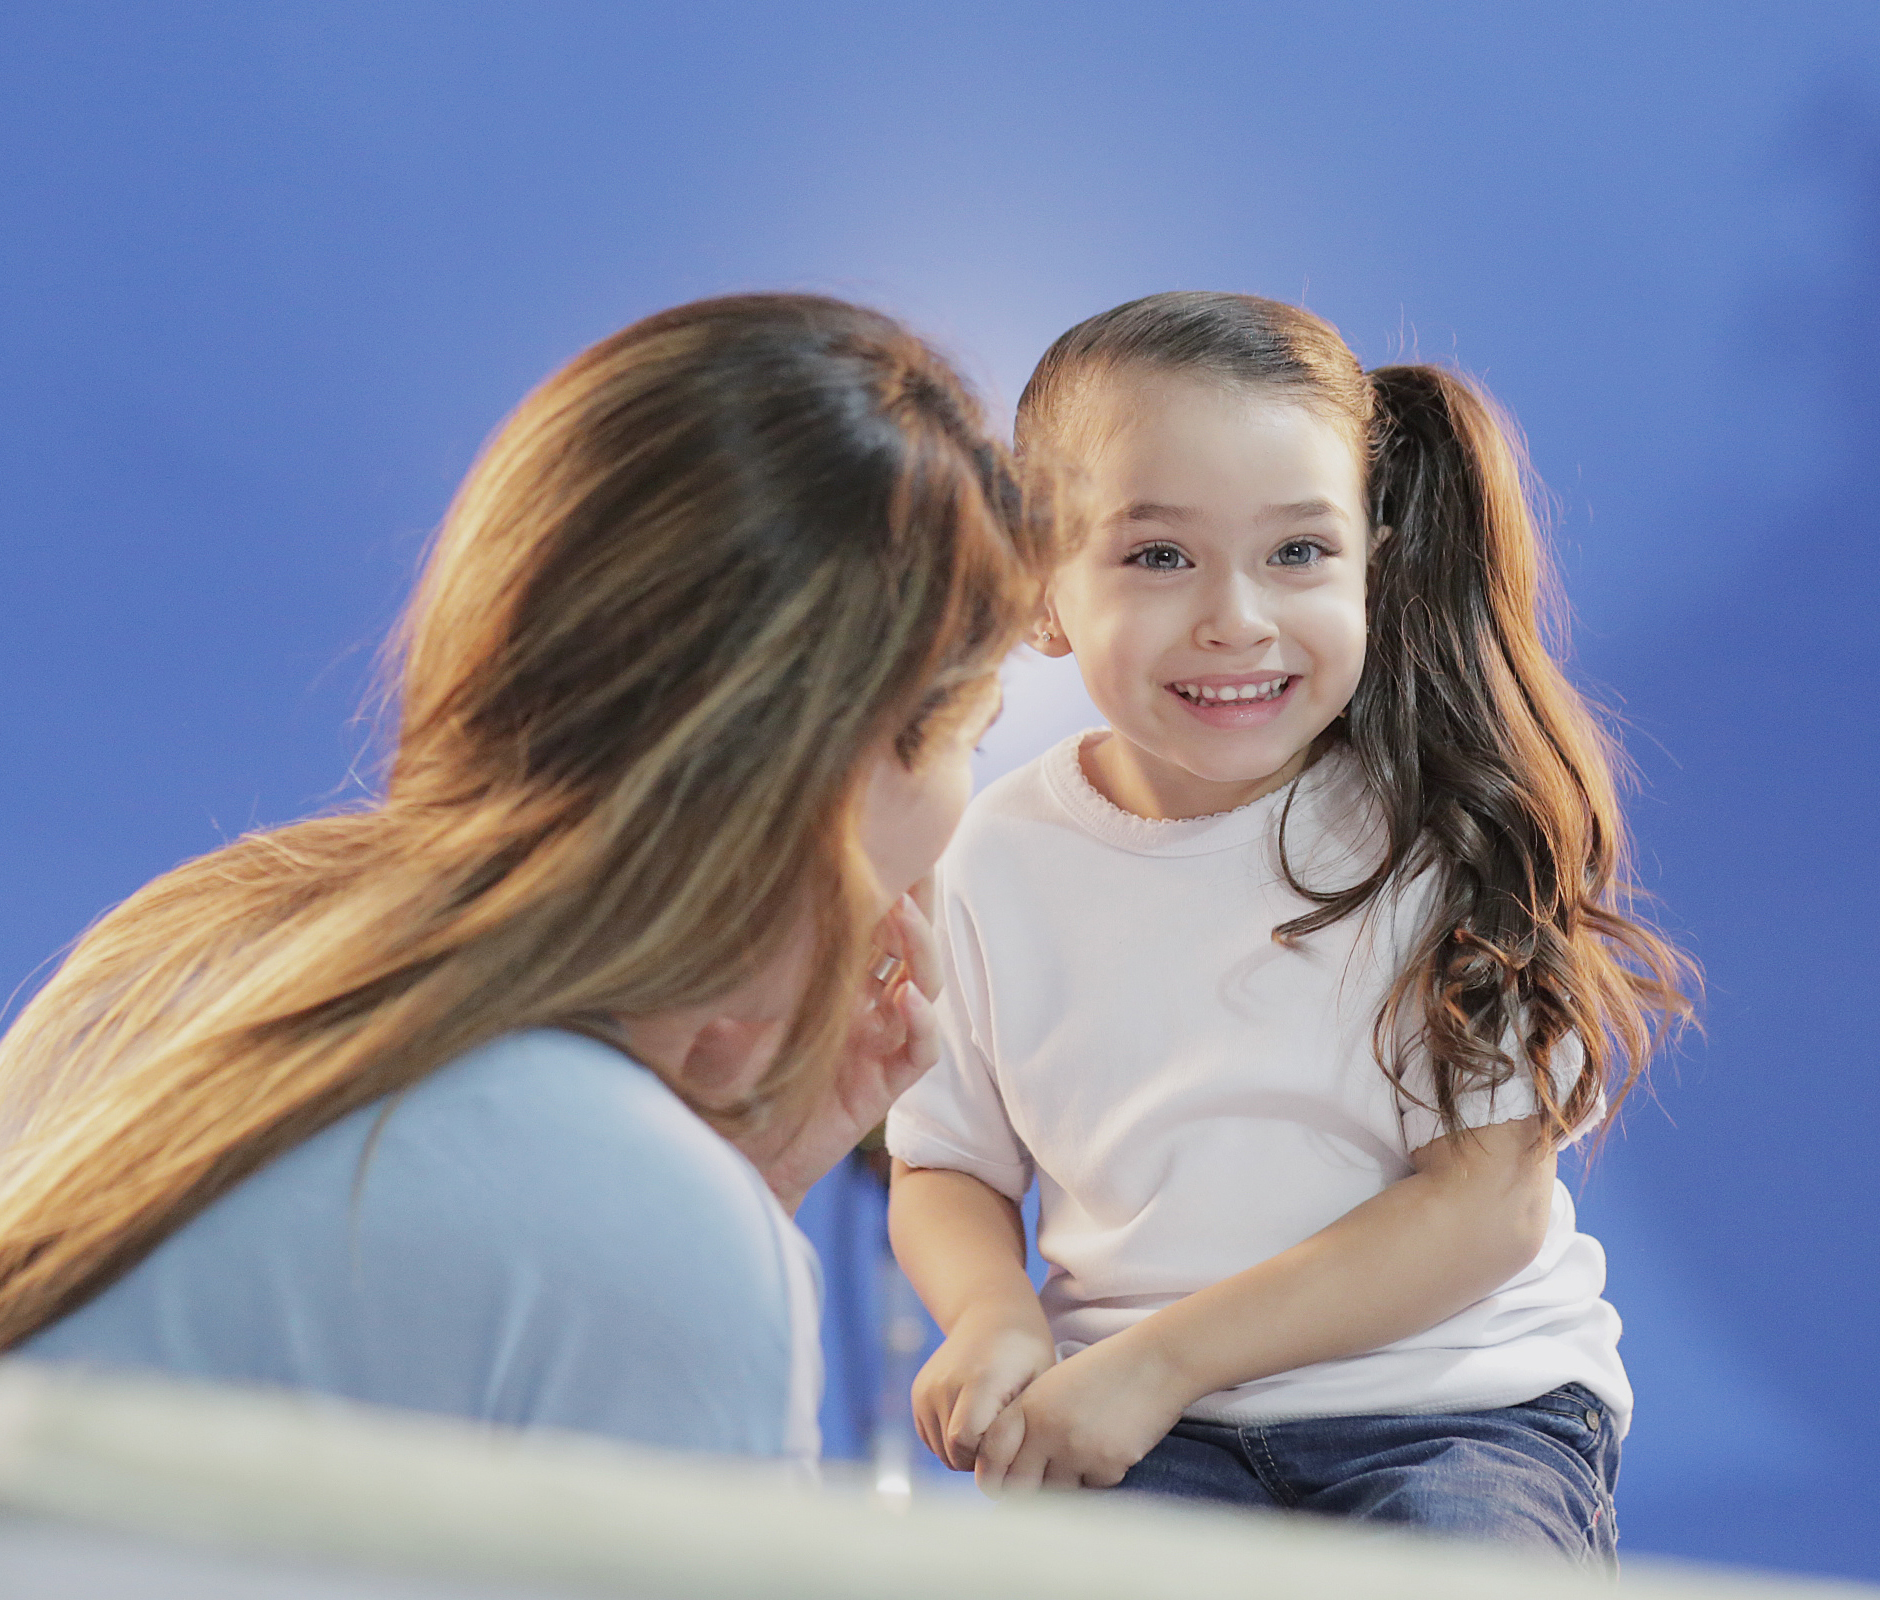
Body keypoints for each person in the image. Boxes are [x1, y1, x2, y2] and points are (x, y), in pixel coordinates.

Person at [0, 293, 1058, 1467]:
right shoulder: (639, 1222)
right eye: (973, 724)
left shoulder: (174, 959)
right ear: (856, 763)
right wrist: (705, 1221)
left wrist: (743, 1175)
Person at [885, 291, 1694, 1562]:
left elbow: (1482, 1208)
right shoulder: (992, 853)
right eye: (1158, 556)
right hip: (1148, 1433)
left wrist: (1157, 1363)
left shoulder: (1441, 825)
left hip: (1452, 1413)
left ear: (1370, 557)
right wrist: (989, 1314)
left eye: (1296, 553)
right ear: (1038, 586)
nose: (1235, 619)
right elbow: (947, 1159)